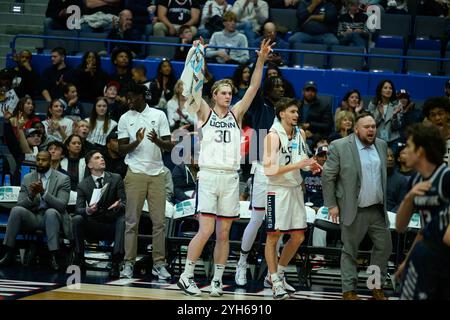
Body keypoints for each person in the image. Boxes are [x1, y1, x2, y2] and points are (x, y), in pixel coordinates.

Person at [177, 38, 273, 297]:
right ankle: (186, 276)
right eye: (224, 93)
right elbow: (193, 87)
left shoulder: (236, 114)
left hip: (231, 178)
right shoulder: (205, 112)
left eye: (230, 93)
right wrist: (198, 56)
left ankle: (217, 280)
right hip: (208, 176)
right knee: (206, 229)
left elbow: (253, 87)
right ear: (214, 95)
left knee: (224, 233)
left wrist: (261, 59)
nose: (229, 96)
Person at [322, 111, 393, 300]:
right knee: (350, 250)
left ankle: (375, 286)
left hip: (377, 208)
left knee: (384, 248)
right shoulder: (340, 146)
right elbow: (328, 176)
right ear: (356, 129)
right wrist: (331, 204)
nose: (371, 130)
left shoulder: (381, 145)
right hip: (353, 208)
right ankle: (348, 290)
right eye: (367, 127)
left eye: (373, 126)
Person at [263, 98, 321, 300]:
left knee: (298, 236)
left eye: (297, 112)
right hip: (277, 191)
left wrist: (309, 166)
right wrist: (298, 166)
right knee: (273, 237)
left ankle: (279, 274)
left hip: (295, 189)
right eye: (293, 112)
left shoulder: (300, 133)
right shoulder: (272, 136)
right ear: (282, 114)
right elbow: (269, 170)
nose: (297, 115)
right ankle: (274, 281)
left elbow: (300, 161)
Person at [117, 84, 174, 280]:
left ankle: (159, 264)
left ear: (142, 96)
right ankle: (128, 263)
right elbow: (121, 149)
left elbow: (169, 145)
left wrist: (156, 140)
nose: (129, 100)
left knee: (159, 223)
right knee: (132, 222)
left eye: (132, 96)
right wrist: (137, 142)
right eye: (127, 97)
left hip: (158, 173)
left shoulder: (159, 115)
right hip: (135, 172)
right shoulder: (125, 118)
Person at [395, 123, 450, 299]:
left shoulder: (445, 177)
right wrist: (408, 198)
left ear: (420, 151)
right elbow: (400, 226)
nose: (405, 150)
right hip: (426, 254)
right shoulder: (415, 180)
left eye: (409, 145)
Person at [0, 151, 71, 271]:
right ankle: (8, 253)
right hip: (33, 216)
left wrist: (43, 192)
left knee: (51, 212)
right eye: (38, 160)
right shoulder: (28, 178)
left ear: (50, 162)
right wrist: (31, 196)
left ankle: (54, 257)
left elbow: (61, 206)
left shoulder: (63, 179)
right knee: (16, 210)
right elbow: (20, 203)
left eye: (44, 160)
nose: (40, 163)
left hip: (52, 218)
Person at [72, 150, 126, 278]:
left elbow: (125, 201)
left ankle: (116, 262)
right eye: (97, 158)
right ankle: (79, 258)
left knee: (122, 220)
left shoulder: (116, 178)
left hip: (112, 223)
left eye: (102, 157)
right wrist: (88, 210)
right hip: (94, 224)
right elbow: (78, 209)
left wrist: (118, 205)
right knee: (77, 219)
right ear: (90, 165)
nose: (102, 159)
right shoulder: (83, 185)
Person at [367, 80, 403, 152]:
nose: (388, 90)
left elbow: (397, 126)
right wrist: (379, 115)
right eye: (385, 88)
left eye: (390, 88)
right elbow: (371, 124)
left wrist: (395, 116)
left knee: (390, 161)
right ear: (380, 90)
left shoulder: (397, 104)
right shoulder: (373, 104)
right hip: (376, 138)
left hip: (393, 139)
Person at [422, 97, 450, 166]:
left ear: (448, 115)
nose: (437, 118)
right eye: (433, 115)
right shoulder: (427, 142)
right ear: (429, 119)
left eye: (440, 113)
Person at [387, 147, 408, 212]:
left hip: (391, 215)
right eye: (386, 156)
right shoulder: (374, 177)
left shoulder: (401, 180)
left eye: (392, 156)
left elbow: (401, 204)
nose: (390, 159)